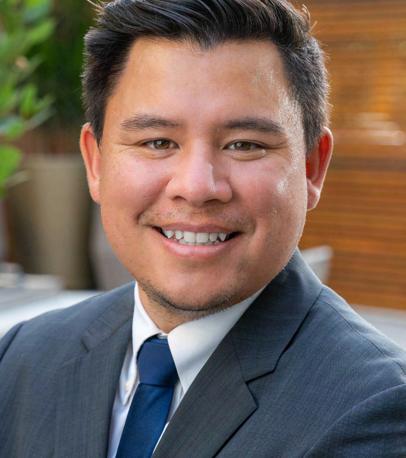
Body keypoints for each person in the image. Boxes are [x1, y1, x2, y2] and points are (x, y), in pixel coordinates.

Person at [1, 1, 405, 457]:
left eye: (244, 144)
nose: (196, 188)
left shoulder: (377, 414)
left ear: (312, 167)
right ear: (95, 163)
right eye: (157, 142)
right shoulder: (23, 358)